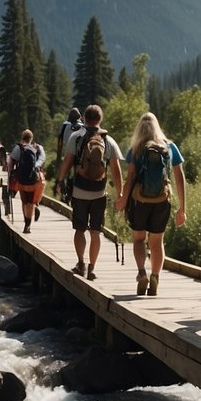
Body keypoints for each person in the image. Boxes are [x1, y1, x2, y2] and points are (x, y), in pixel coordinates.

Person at [115, 112, 187, 297]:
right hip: (162, 200)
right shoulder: (169, 147)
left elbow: (131, 177)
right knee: (157, 242)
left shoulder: (136, 149)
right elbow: (179, 177)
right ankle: (155, 277)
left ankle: (141, 273)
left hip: (140, 201)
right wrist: (182, 208)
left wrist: (123, 198)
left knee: (139, 239)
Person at [56, 104, 123, 280]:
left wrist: (60, 181)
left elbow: (67, 162)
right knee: (95, 232)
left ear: (84, 119)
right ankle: (92, 268)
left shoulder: (77, 137)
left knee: (79, 230)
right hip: (99, 193)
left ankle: (81, 264)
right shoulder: (108, 140)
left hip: (79, 190)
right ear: (100, 119)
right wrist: (120, 194)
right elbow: (116, 171)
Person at [8, 129, 45, 233]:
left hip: (21, 180)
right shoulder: (36, 148)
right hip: (33, 180)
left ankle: (26, 223)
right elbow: (42, 160)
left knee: (24, 201)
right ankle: (28, 225)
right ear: (31, 138)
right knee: (30, 202)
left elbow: (11, 162)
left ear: (22, 137)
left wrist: (10, 175)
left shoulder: (18, 148)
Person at [55, 107, 83, 201]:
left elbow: (59, 142)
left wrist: (58, 158)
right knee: (76, 175)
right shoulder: (82, 126)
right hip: (79, 155)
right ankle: (75, 194)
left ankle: (64, 193)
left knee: (64, 174)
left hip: (66, 153)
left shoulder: (64, 126)